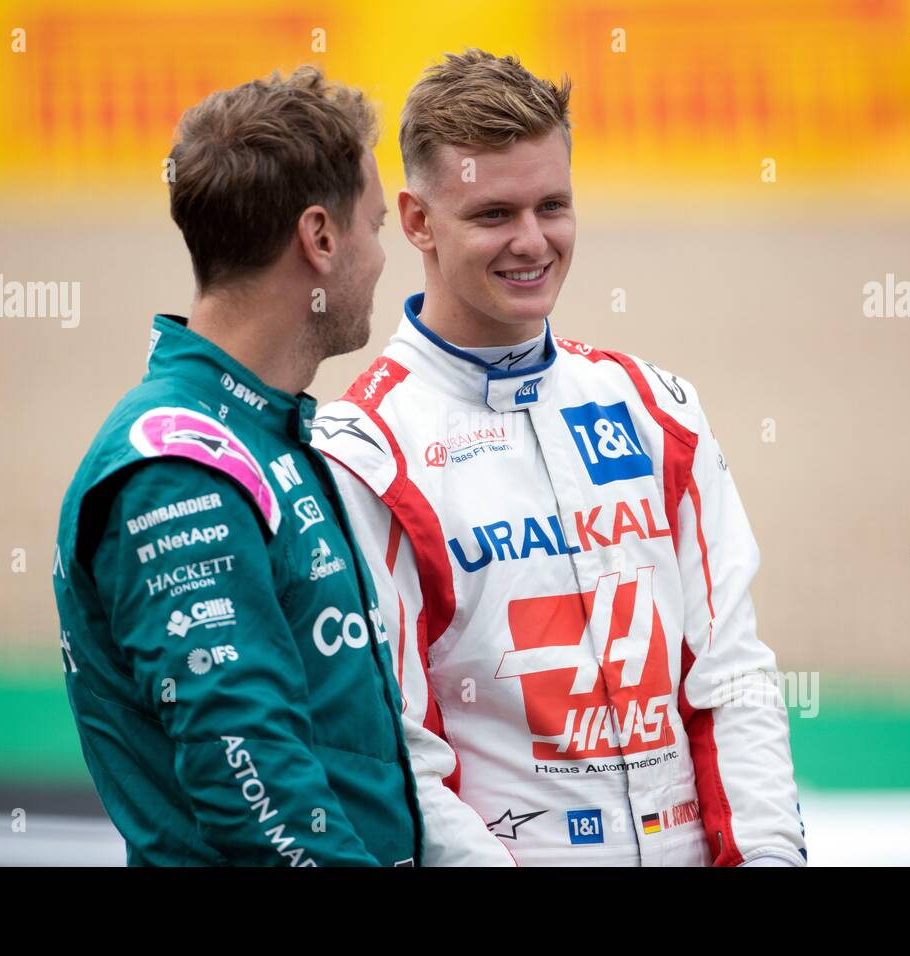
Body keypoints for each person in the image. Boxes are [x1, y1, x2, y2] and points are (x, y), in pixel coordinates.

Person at [312, 50, 807, 866]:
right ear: (416, 220)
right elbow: (400, 751)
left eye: (553, 205)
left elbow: (732, 679)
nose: (532, 242)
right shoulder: (365, 453)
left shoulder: (657, 411)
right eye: (494, 214)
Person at [52, 67, 421, 866]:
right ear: (320, 238)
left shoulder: (260, 431)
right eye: (376, 224)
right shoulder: (180, 464)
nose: (384, 257)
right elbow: (253, 788)